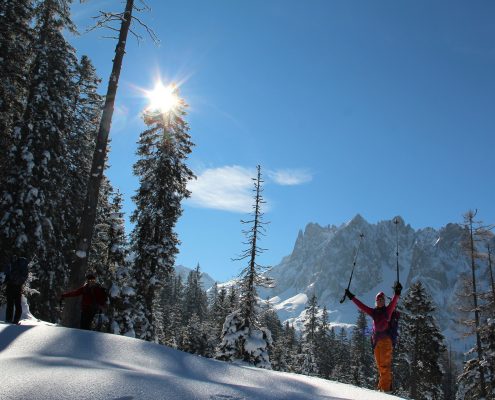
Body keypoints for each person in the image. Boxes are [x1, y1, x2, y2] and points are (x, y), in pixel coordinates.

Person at [345, 281, 402, 393]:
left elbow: (395, 301)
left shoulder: (388, 310)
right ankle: (383, 389)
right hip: (376, 342)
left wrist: (397, 293)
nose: (380, 301)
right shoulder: (373, 312)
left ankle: (386, 391)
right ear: (376, 301)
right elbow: (361, 306)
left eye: (381, 299)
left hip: (386, 342)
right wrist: (351, 297)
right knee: (380, 366)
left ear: (384, 301)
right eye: (378, 299)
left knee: (385, 366)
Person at [4, 255, 29, 324]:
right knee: (18, 305)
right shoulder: (22, 266)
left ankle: (8, 320)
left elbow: (7, 275)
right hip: (18, 287)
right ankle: (16, 321)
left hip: (10, 286)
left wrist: (5, 282)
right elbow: (25, 277)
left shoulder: (11, 264)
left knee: (10, 304)